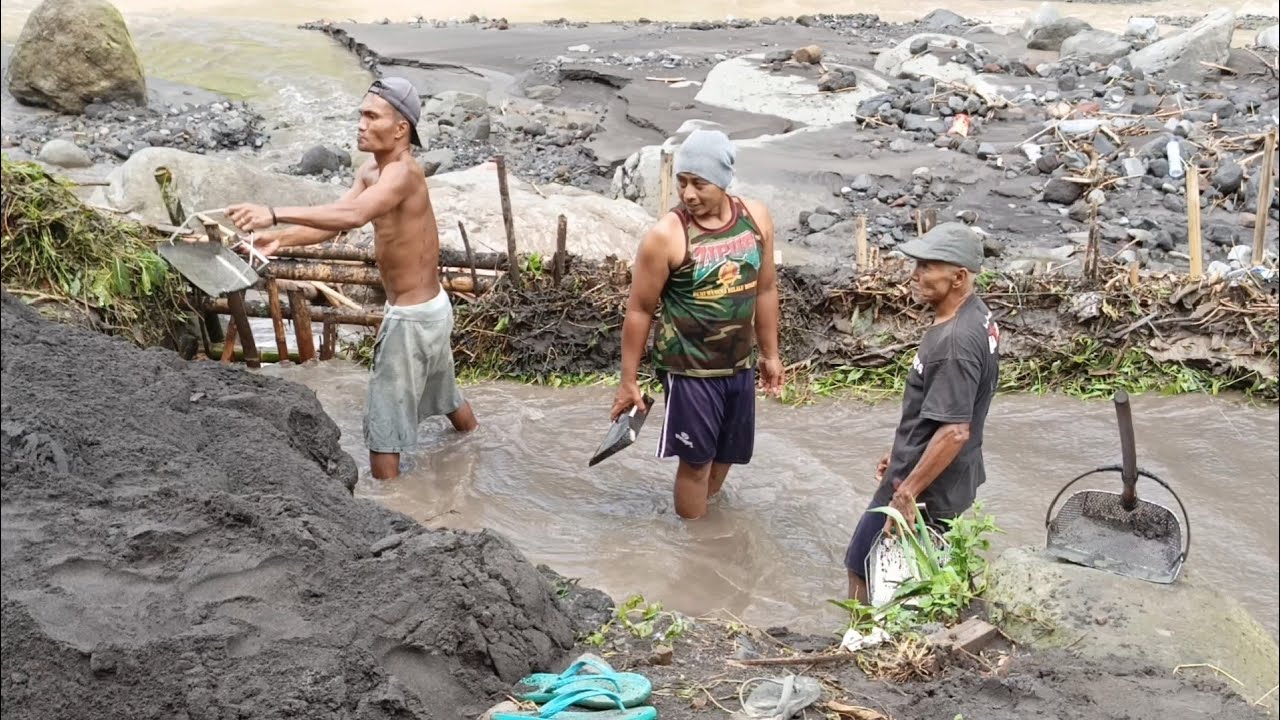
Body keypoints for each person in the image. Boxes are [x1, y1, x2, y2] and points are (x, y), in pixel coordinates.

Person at [227, 76, 477, 481]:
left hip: (412, 319)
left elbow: (354, 216)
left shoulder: (402, 174)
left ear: (401, 129)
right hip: (431, 310)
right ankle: (474, 453)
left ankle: (392, 506)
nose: (360, 124)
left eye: (370, 116)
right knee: (446, 396)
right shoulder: (371, 170)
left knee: (383, 427)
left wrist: (274, 212)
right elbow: (334, 223)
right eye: (360, 114)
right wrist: (278, 239)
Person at [610, 129, 784, 520]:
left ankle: (703, 525)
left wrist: (770, 354)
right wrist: (628, 380)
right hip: (688, 369)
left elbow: (766, 289)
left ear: (723, 182)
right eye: (682, 182)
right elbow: (639, 310)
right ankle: (693, 550)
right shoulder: (666, 236)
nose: (688, 194)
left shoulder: (756, 220)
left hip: (738, 364)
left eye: (699, 184)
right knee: (696, 464)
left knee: (728, 456)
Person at [843, 222, 1000, 603]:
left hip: (927, 485)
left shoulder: (953, 344)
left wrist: (908, 490)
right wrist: (902, 451)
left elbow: (954, 431)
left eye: (928, 267)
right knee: (929, 572)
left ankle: (863, 637)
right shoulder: (979, 316)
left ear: (959, 277)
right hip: (951, 477)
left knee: (862, 561)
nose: (915, 275)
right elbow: (946, 413)